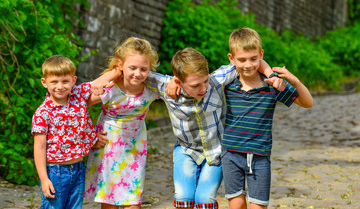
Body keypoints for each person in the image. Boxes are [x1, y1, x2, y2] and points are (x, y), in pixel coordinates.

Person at [92, 47, 284, 209]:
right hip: (186, 151)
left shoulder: (216, 81)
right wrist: (107, 77)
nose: (203, 88)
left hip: (215, 152)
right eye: (194, 85)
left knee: (204, 199)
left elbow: (247, 61)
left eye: (205, 81)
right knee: (183, 198)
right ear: (178, 81)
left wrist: (271, 74)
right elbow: (133, 70)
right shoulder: (165, 86)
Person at [221, 27, 313, 209]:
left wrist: (294, 81)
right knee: (236, 204)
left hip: (260, 157)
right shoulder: (228, 84)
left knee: (258, 206)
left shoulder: (273, 86)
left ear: (261, 55)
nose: (248, 64)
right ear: (231, 59)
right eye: (242, 60)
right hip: (230, 154)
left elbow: (307, 102)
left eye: (253, 59)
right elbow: (201, 80)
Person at [84, 37, 159, 209]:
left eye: (144, 69)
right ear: (121, 65)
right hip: (108, 146)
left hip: (135, 148)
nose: (137, 74)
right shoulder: (110, 88)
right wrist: (89, 135)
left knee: (133, 200)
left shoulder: (151, 88)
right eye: (132, 68)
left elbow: (173, 87)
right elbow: (78, 104)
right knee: (110, 200)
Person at [32, 55, 106, 209]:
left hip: (78, 168)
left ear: (73, 80)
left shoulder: (77, 98)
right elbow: (39, 148)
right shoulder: (43, 113)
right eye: (54, 82)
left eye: (65, 81)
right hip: (55, 171)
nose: (60, 86)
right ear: (44, 83)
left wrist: (120, 69)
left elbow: (101, 83)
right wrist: (44, 179)